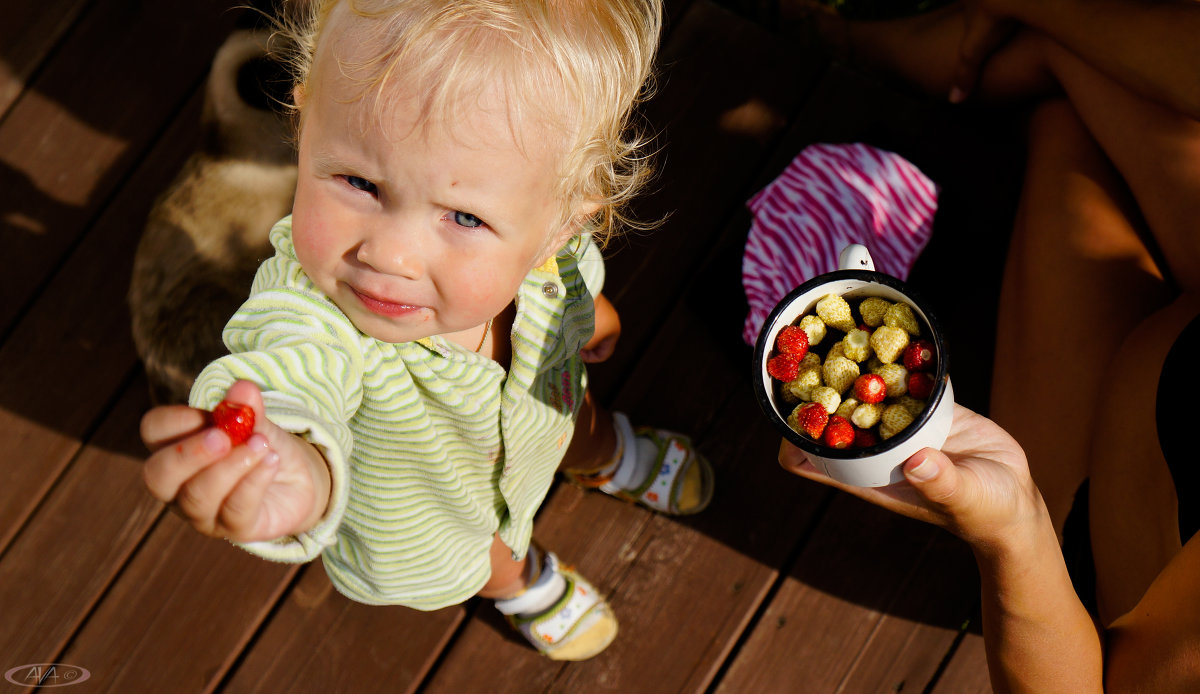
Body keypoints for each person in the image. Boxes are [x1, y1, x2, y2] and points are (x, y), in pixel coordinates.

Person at [138, 0, 713, 662]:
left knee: (573, 420)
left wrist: (587, 312)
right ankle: (521, 585)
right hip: (433, 516)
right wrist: (292, 453)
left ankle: (605, 455)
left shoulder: (551, 245)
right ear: (304, 126)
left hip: (547, 409)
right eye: (359, 181)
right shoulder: (314, 309)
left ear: (561, 222)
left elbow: (569, 276)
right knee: (480, 552)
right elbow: (287, 371)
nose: (389, 256)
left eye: (463, 219)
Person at [777, 0, 1200, 689]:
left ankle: (837, 33)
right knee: (1077, 56)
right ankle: (910, 30)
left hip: (1090, 523)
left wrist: (1014, 532)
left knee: (1061, 110)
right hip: (1178, 343)